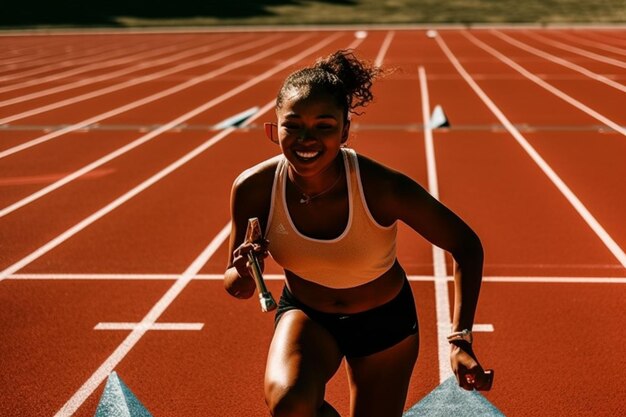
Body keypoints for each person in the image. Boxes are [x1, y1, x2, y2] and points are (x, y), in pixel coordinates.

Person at [224, 49, 489, 417]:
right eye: (293, 124)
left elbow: (465, 245)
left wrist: (461, 338)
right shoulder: (253, 188)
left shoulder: (381, 188)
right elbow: (237, 287)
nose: (306, 138)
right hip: (307, 316)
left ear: (345, 131)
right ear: (274, 128)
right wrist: (242, 270)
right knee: (290, 404)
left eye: (324, 126)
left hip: (384, 325)